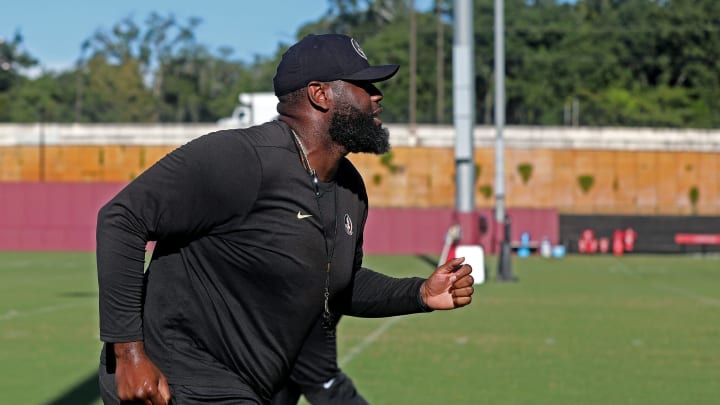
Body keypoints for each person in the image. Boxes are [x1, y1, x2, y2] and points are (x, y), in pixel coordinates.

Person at [96, 33, 474, 405]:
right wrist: (128, 355)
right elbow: (122, 219)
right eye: (364, 85)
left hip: (248, 387)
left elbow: (339, 286)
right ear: (320, 94)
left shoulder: (349, 188)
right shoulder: (240, 157)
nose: (377, 96)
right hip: (174, 378)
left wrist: (419, 294)